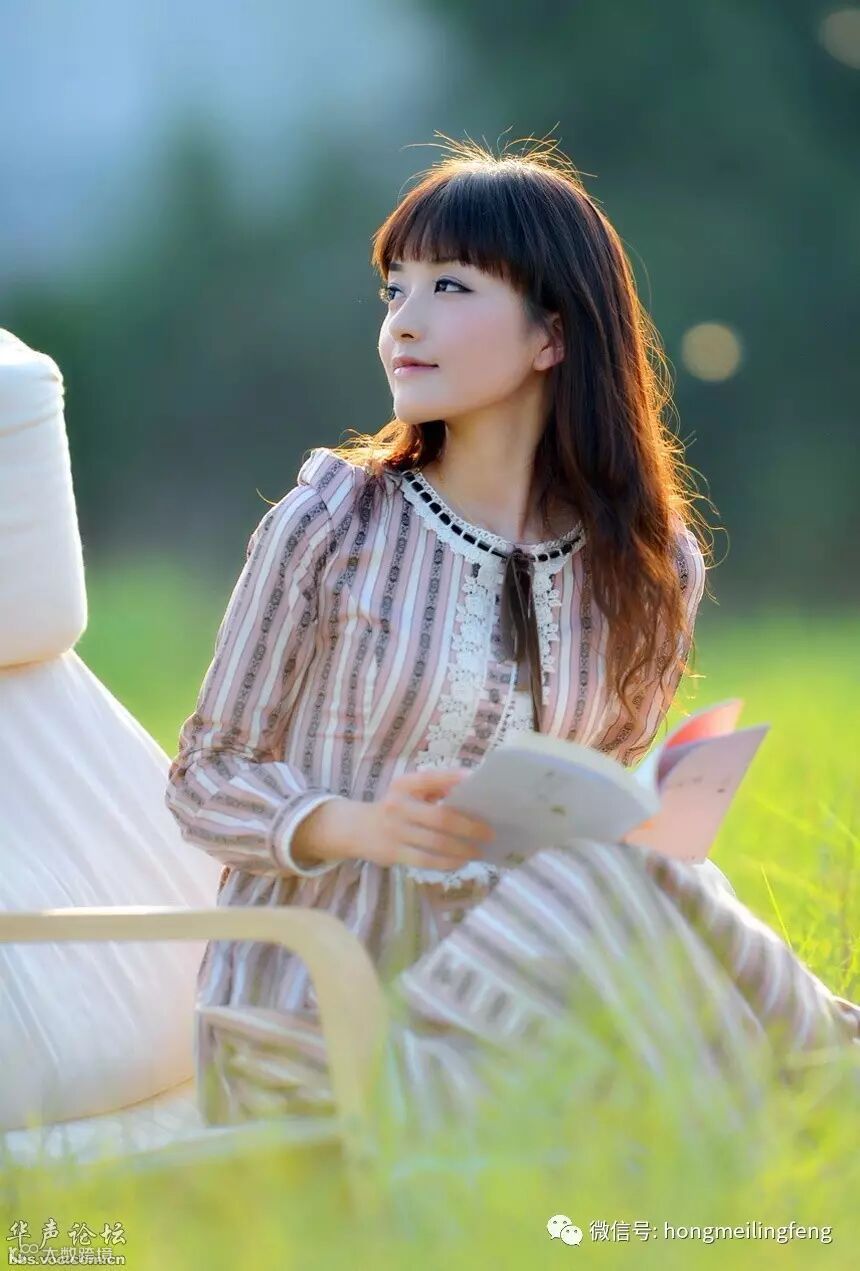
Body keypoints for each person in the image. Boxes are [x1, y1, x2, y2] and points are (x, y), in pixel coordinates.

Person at [164, 139, 859, 1136]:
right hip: (326, 1013)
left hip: (550, 984)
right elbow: (204, 775)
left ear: (551, 337)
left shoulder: (649, 565)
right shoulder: (331, 524)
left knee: (638, 872)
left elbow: (599, 806)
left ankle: (803, 1099)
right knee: (612, 886)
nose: (403, 321)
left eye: (448, 286)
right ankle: (823, 1074)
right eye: (394, 291)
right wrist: (360, 825)